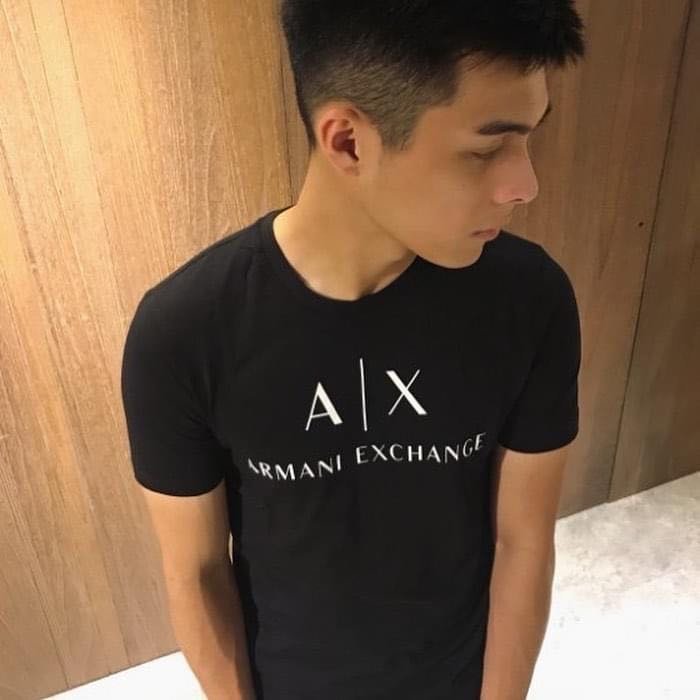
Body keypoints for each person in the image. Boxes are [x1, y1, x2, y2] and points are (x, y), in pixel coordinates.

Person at [120, 2, 586, 698]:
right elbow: (197, 572)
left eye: (527, 140)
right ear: (348, 142)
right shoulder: (183, 332)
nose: (525, 185)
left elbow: (523, 539)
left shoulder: (531, 299)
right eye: (486, 149)